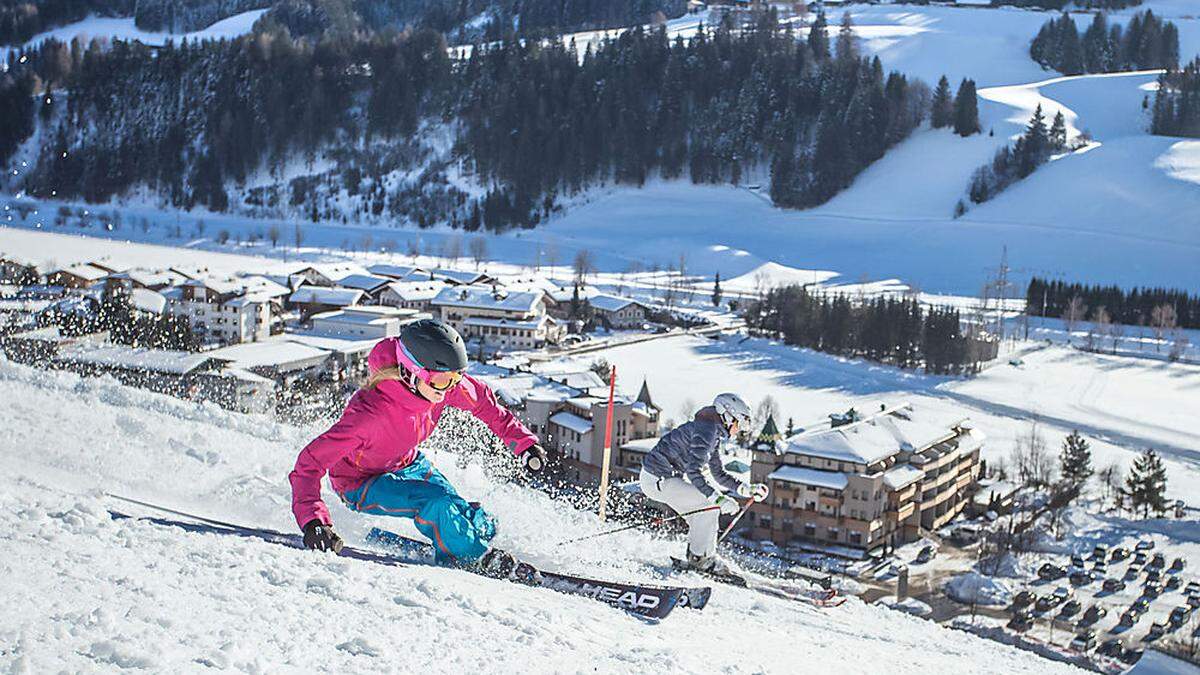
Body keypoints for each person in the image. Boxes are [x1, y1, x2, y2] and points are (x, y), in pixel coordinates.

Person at [289, 319, 547, 574]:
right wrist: (313, 521)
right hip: (360, 482)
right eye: (442, 380)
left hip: (406, 462)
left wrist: (524, 443)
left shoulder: (442, 386)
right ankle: (471, 558)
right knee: (436, 503)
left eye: (456, 377)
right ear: (409, 372)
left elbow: (485, 404)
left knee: (459, 509)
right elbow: (310, 463)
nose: (449, 388)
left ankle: (462, 534)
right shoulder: (369, 416)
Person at [639, 393, 768, 574]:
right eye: (739, 423)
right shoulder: (706, 431)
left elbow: (718, 473)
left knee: (702, 515)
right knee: (709, 506)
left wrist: (745, 489)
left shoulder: (712, 432)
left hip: (665, 479)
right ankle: (701, 560)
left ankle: (703, 556)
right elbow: (694, 471)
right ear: (728, 415)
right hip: (657, 479)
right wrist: (718, 499)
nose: (739, 429)